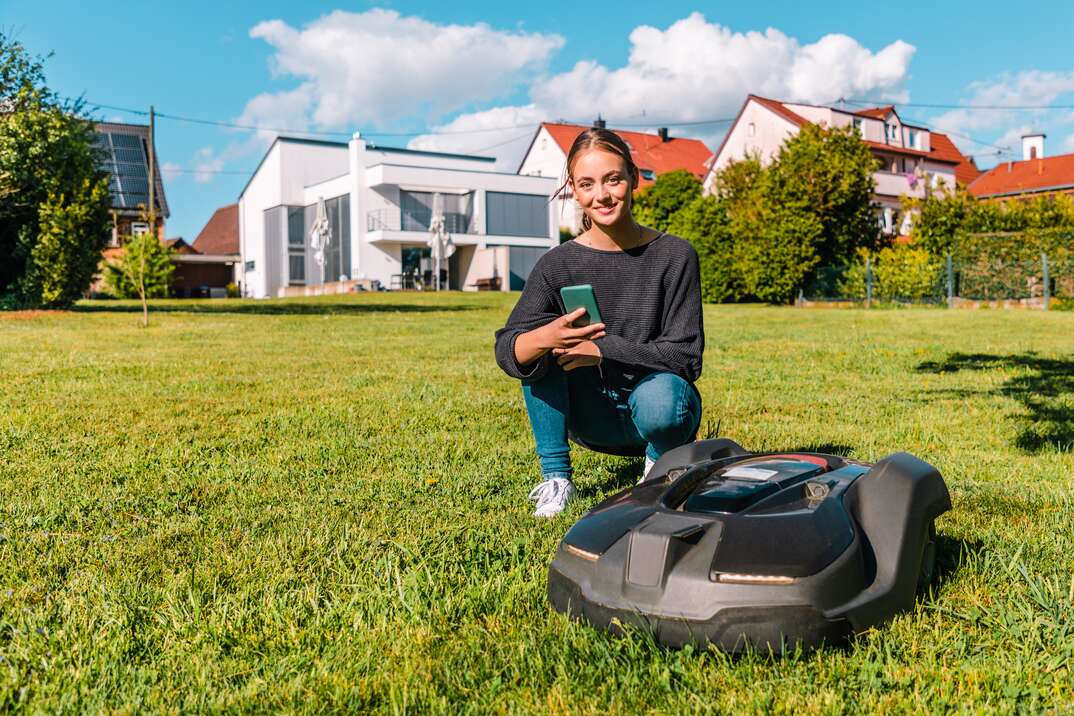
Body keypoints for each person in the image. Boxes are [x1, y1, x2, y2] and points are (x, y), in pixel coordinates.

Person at [494, 127, 704, 518]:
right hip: (589, 416)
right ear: (573, 188)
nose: (602, 195)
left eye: (613, 179)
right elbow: (509, 350)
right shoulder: (557, 264)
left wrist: (600, 350)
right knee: (540, 349)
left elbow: (686, 357)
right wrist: (545, 336)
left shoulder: (675, 256)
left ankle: (657, 468)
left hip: (660, 411)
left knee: (664, 399)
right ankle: (557, 479)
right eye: (587, 183)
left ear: (633, 178)